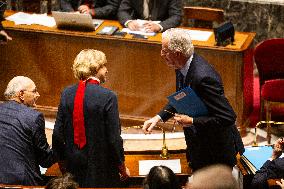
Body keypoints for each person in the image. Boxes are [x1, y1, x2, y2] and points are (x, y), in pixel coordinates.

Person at [142, 28, 244, 172]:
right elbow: (183, 96)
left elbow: (227, 117)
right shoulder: (181, 65)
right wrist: (159, 117)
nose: (161, 54)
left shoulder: (204, 77)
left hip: (215, 152)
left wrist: (192, 121)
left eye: (164, 51)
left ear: (177, 53)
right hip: (199, 146)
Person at [52, 49, 130, 188]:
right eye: (104, 66)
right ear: (95, 68)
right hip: (102, 171)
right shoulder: (108, 96)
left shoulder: (66, 94)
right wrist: (122, 167)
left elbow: (58, 135)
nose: (107, 70)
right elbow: (114, 138)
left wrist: (63, 165)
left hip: (72, 169)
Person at [0, 76, 55, 185]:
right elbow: (45, 160)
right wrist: (59, 144)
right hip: (23, 183)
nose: (38, 95)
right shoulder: (33, 116)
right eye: (34, 91)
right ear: (21, 94)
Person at [117, 0, 182, 33]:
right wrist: (129, 22)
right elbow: (122, 11)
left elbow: (176, 16)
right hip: (138, 32)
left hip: (162, 34)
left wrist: (160, 26)